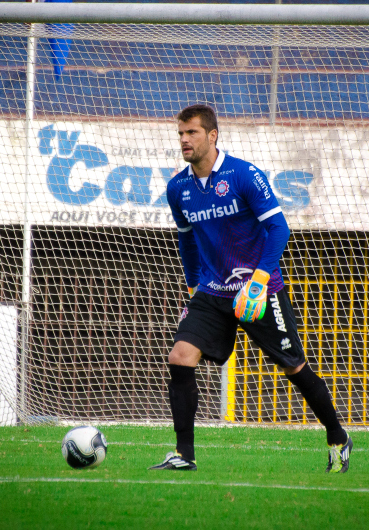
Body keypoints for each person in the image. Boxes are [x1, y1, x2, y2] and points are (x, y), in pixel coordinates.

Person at [149, 104, 353, 473]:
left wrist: (258, 282)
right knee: (180, 356)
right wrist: (193, 287)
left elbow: (280, 230)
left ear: (212, 136)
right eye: (180, 133)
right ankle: (184, 454)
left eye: (191, 133)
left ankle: (338, 436)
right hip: (213, 291)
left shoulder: (243, 175)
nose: (183, 140)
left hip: (261, 289)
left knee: (295, 368)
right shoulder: (177, 188)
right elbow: (187, 242)